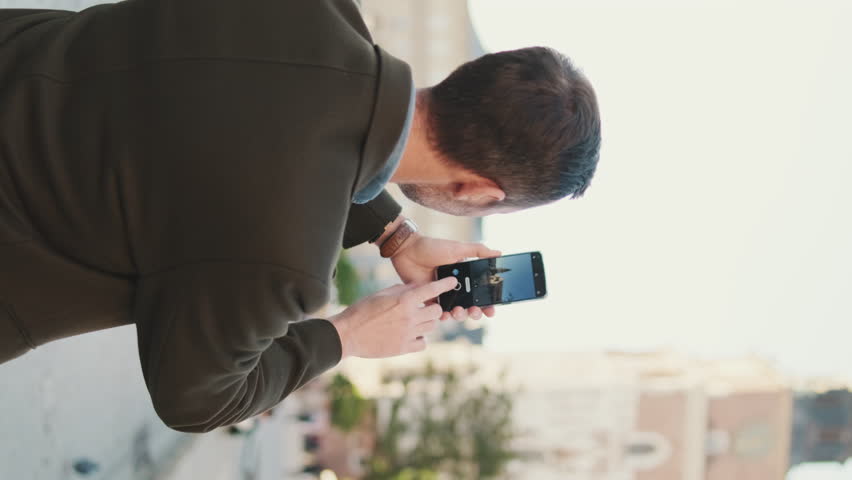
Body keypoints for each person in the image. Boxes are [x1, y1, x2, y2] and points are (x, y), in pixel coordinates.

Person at [0, 0, 601, 432]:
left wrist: (397, 237)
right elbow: (195, 400)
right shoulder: (283, 263)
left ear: (468, 78)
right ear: (478, 192)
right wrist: (346, 335)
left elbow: (272, 109)